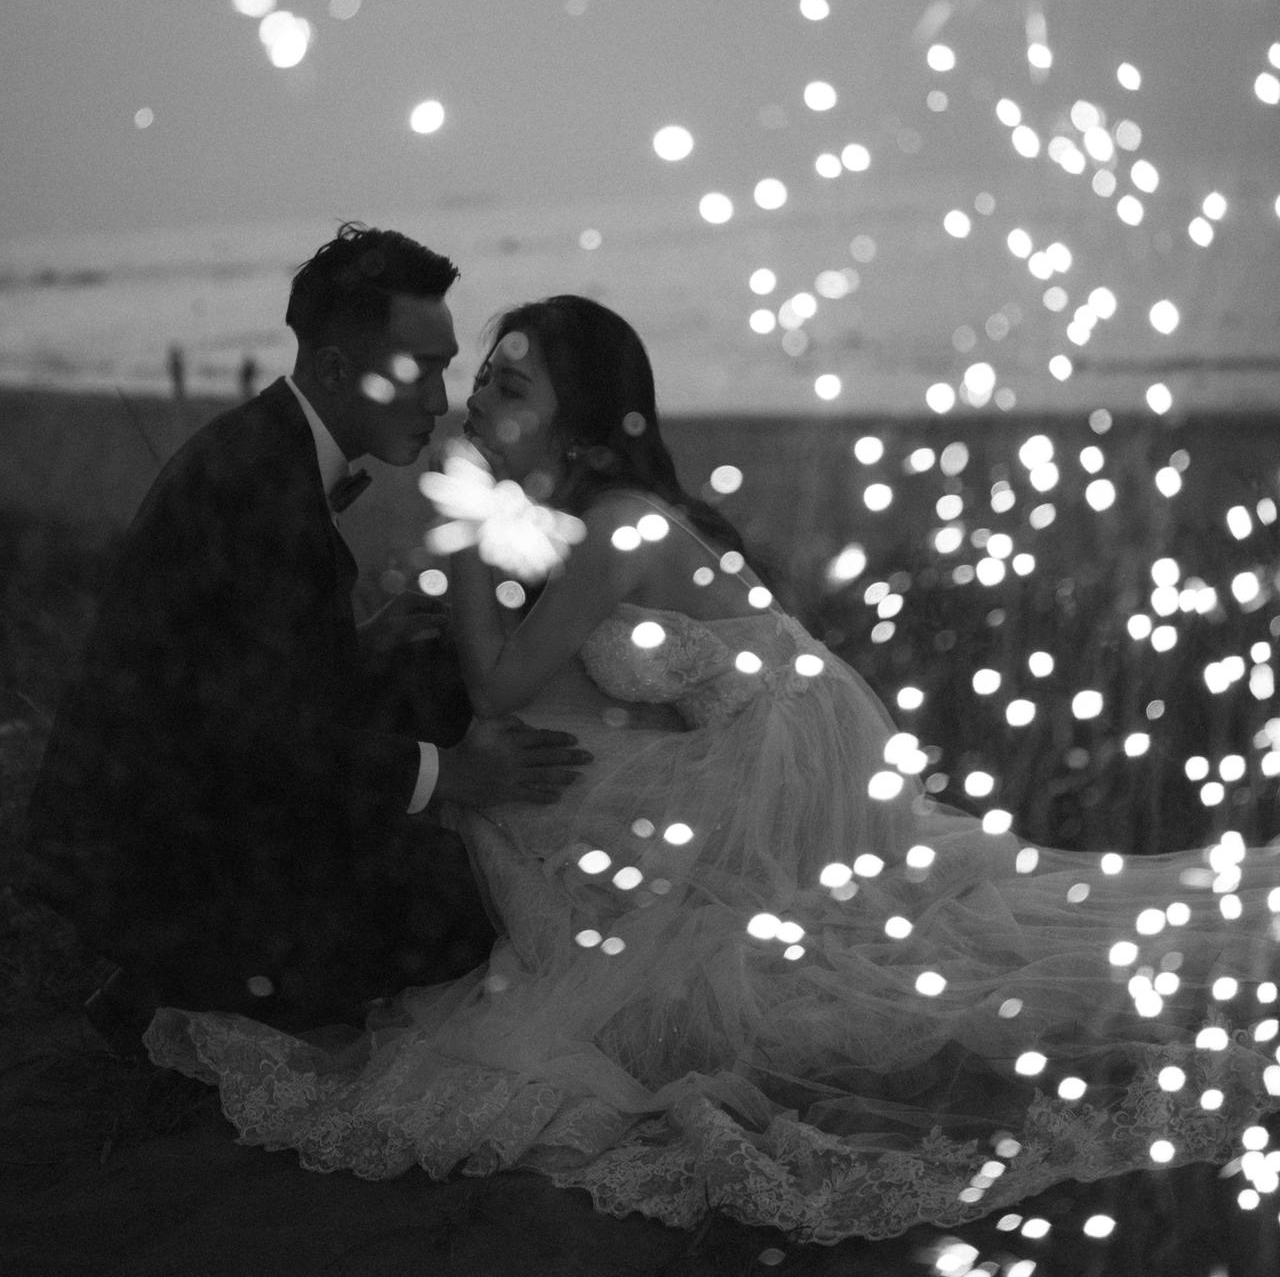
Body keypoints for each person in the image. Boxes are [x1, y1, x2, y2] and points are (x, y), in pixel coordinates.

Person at [145, 295, 1280, 1243]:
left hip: (789, 747)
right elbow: (538, 680)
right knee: (523, 822)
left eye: (506, 388)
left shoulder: (616, 526)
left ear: (577, 430)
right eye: (483, 377)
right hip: (723, 740)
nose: (476, 402)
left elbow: (496, 684)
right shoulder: (559, 519)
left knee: (782, 970)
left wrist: (454, 539)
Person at [21, 228, 590, 1058]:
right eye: (419, 369)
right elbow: (256, 742)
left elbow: (227, 681)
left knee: (432, 665)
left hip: (178, 800)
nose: (438, 401)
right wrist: (456, 774)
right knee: (468, 916)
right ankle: (183, 976)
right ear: (330, 370)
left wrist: (360, 643)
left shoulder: (264, 448)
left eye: (444, 368)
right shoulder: (260, 489)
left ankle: (181, 974)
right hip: (156, 855)